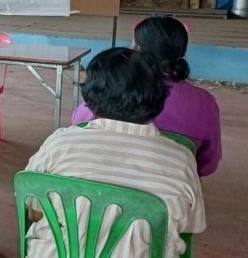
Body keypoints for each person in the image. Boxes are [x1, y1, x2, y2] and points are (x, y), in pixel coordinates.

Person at [26, 47, 205, 258]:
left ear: (90, 97)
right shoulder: (180, 158)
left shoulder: (61, 142)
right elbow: (190, 225)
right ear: (158, 99)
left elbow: (33, 209)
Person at [72, 15, 221, 176]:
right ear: (182, 51)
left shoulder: (114, 88)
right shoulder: (204, 102)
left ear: (137, 49)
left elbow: (79, 123)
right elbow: (207, 165)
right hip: (170, 180)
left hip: (101, 175)